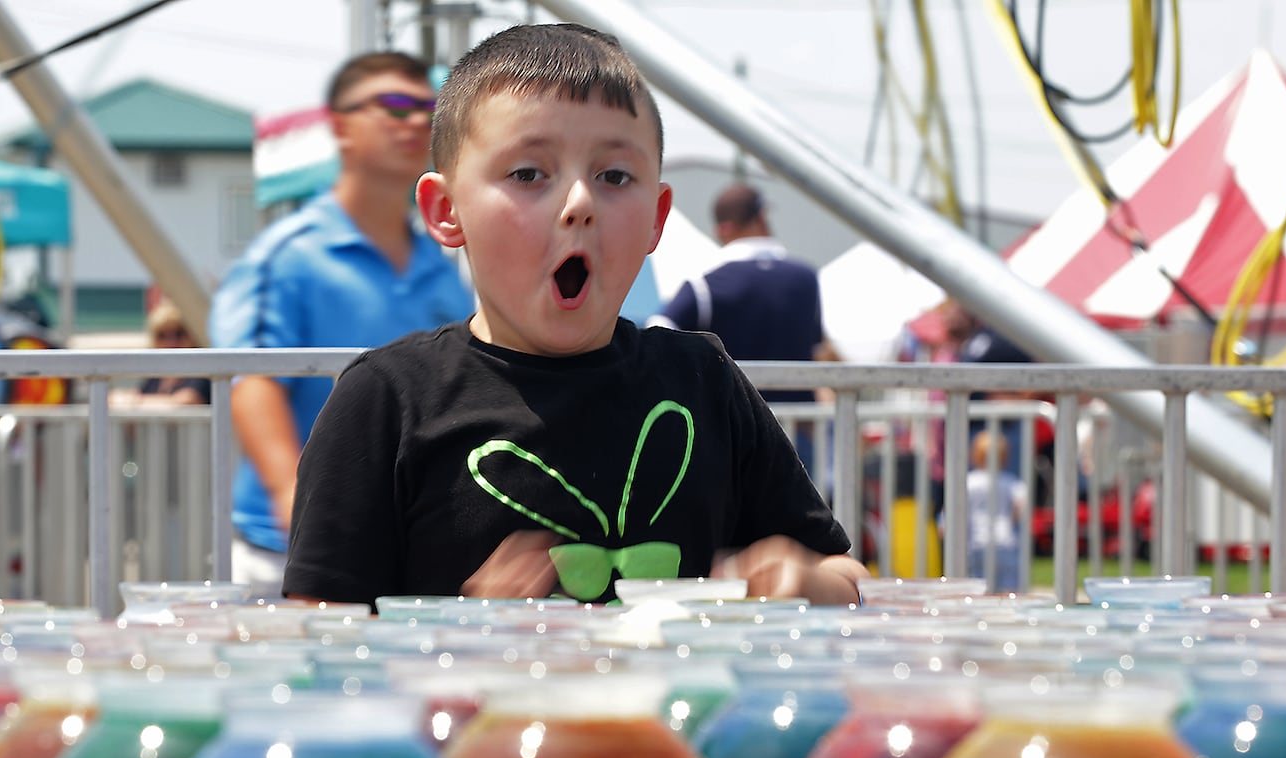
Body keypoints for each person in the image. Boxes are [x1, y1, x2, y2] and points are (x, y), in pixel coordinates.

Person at [282, 23, 868, 607]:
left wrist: (803, 580)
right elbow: (318, 638)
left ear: (657, 219)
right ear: (446, 210)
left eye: (614, 176)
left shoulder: (705, 381)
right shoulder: (386, 401)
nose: (580, 203)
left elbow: (848, 576)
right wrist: (462, 638)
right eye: (529, 174)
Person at [209, 50, 474, 587]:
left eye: (428, 107)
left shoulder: (441, 265)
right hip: (287, 552)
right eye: (394, 105)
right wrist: (299, 509)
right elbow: (254, 381)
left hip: (407, 546)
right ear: (340, 127)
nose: (416, 122)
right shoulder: (286, 255)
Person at [650, 181, 837, 470]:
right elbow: (814, 353)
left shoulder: (705, 287)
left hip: (729, 436)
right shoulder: (806, 280)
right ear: (761, 217)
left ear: (720, 229)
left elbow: (656, 333)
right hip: (796, 437)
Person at [110, 301, 210, 408]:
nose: (171, 342)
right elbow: (121, 398)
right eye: (162, 335)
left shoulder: (201, 372)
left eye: (178, 333)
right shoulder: (156, 377)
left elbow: (187, 401)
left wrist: (136, 402)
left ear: (192, 336)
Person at [966, 431, 1027, 593]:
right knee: (1009, 588)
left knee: (977, 588)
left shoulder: (969, 481)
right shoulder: (1010, 482)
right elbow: (1019, 508)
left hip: (976, 542)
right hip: (1004, 540)